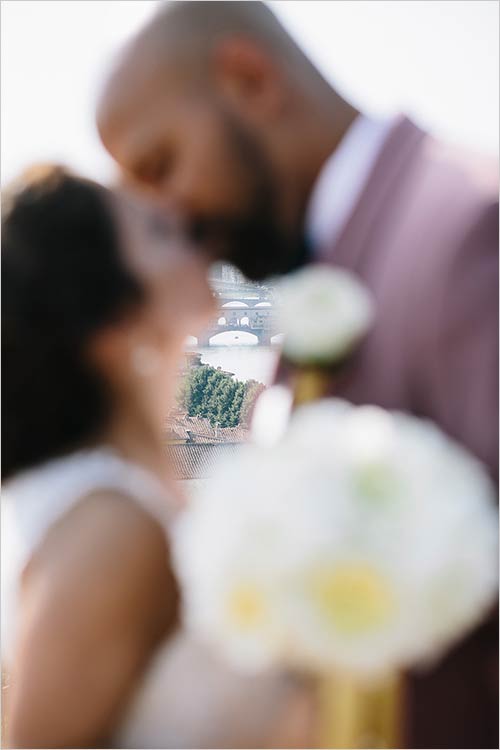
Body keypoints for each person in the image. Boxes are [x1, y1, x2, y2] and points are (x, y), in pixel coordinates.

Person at [96, 2, 499, 747]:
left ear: (251, 80)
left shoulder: (468, 227)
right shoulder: (294, 294)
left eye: (161, 166)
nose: (172, 219)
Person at [1, 165, 310, 749]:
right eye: (157, 232)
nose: (184, 216)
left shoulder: (167, 466)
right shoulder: (110, 528)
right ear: (116, 323)